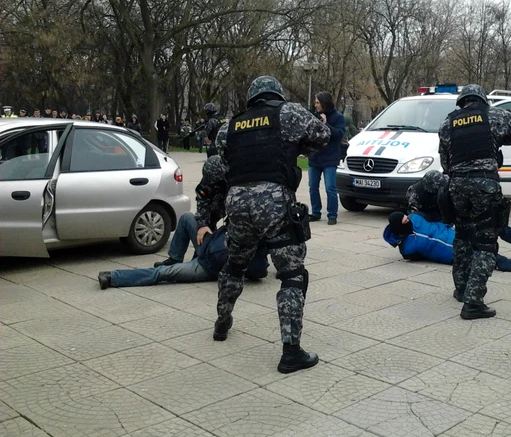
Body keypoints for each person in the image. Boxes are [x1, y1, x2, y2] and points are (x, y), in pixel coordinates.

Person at [214, 75, 330, 374]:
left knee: (234, 266)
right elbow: (323, 135)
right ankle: (291, 352)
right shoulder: (288, 112)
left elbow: (224, 159)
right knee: (292, 275)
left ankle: (222, 323)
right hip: (274, 201)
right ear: (276, 94)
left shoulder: (231, 125)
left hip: (237, 201)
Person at [97, 156, 269, 289]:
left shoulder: (254, 255)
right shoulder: (214, 189)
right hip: (208, 243)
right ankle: (174, 258)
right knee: (187, 217)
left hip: (206, 267)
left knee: (163, 273)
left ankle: (113, 277)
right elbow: (203, 205)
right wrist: (202, 225)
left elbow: (260, 270)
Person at [438, 84, 511, 320]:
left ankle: (461, 289)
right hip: (484, 186)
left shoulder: (447, 124)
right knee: (486, 243)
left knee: (462, 237)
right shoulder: (494, 116)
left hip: (457, 187)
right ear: (482, 99)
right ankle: (473, 302)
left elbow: (446, 164)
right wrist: (499, 140)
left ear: (462, 101)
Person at [383, 211, 511, 277]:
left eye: (407, 217)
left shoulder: (416, 217)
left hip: (461, 234)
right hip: (458, 253)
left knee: (495, 226)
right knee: (496, 260)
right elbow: (421, 256)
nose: (408, 220)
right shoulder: (407, 249)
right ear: (400, 226)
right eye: (405, 221)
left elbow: (437, 216)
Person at [308, 91, 345, 225]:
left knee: (330, 187)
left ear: (324, 103)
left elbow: (338, 135)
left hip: (330, 158)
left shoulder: (338, 117)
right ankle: (316, 212)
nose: (315, 105)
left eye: (318, 102)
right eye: (315, 102)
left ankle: (332, 214)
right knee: (312, 186)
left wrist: (326, 123)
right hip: (315, 157)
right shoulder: (313, 116)